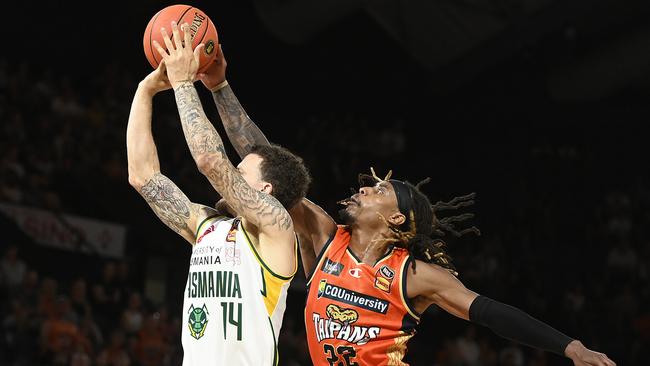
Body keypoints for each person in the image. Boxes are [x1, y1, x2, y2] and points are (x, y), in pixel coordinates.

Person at [194, 42, 617, 366]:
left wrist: (570, 347)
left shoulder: (414, 276)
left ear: (396, 218)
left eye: (378, 191)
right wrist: (219, 87)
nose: (363, 189)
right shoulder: (324, 235)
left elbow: (490, 313)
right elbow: (270, 164)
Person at [127, 21, 311, 365]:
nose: (232, 176)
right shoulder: (208, 226)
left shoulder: (277, 229)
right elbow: (143, 177)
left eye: (240, 173)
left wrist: (183, 83)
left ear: (265, 189)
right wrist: (145, 91)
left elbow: (211, 161)